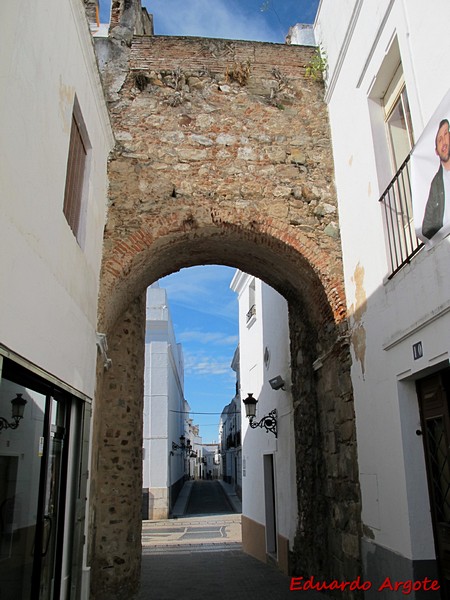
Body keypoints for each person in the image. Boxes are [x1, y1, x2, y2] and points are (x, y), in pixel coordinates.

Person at [422, 118, 450, 239]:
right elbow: (426, 228)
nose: (443, 142)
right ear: (436, 151)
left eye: (445, 134)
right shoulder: (436, 184)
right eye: (439, 140)